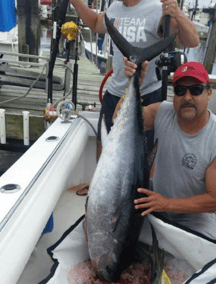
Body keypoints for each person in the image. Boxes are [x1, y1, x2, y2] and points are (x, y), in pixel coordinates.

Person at [69, 0, 199, 195]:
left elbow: (190, 41)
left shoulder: (157, 9)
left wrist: (177, 14)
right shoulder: (114, 8)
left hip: (146, 92)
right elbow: (96, 23)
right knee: (102, 142)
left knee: (142, 151)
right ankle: (99, 184)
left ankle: (139, 192)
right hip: (115, 91)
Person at [120, 60, 216, 240]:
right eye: (180, 90)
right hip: (154, 204)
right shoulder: (162, 112)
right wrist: (134, 83)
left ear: (209, 93)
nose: (187, 97)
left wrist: (166, 204)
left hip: (195, 218)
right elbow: (119, 120)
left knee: (208, 263)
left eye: (196, 90)